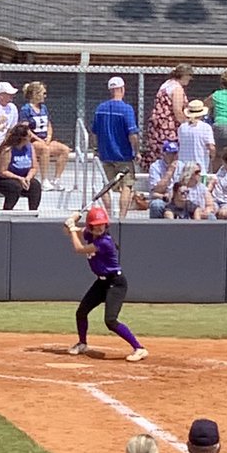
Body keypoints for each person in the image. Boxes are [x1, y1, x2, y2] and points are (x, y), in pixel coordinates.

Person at [63, 205, 148, 362]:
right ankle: (82, 343)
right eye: (96, 225)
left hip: (115, 283)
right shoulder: (90, 233)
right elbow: (68, 231)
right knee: (81, 312)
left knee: (110, 320)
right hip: (101, 283)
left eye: (102, 224)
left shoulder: (105, 242)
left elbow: (78, 248)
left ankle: (139, 348)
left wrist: (72, 228)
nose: (100, 227)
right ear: (91, 226)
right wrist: (73, 220)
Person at [91, 77, 139, 219]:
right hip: (123, 156)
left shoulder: (100, 108)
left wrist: (96, 149)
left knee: (106, 185)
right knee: (127, 186)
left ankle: (108, 214)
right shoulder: (126, 109)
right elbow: (133, 134)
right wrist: (136, 151)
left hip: (106, 155)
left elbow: (94, 133)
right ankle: (122, 218)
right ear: (122, 89)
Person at [19, 81, 70, 190]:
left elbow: (48, 124)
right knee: (44, 149)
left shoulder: (43, 108)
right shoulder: (26, 109)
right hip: (32, 141)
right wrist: (38, 139)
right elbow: (25, 129)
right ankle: (44, 180)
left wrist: (49, 136)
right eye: (43, 93)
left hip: (45, 139)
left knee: (64, 149)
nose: (45, 96)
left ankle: (56, 179)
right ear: (35, 94)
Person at [145, 64, 191, 163]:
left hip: (157, 126)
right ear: (184, 75)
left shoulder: (166, 85)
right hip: (168, 128)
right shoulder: (177, 88)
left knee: (158, 157)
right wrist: (187, 125)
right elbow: (177, 111)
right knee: (170, 157)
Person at [0, 122, 42, 211]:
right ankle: (8, 211)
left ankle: (33, 212)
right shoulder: (8, 149)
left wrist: (28, 178)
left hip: (24, 178)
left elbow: (34, 167)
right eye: (29, 135)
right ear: (22, 138)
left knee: (35, 185)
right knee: (15, 187)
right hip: (5, 180)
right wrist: (19, 178)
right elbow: (2, 171)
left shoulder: (30, 147)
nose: (31, 136)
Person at [176, 101, 215, 170]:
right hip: (200, 166)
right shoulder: (206, 127)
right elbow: (211, 147)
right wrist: (212, 157)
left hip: (183, 166)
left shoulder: (182, 127)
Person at [147, 140, 179, 218]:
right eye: (170, 153)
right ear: (164, 153)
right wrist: (170, 172)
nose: (173, 156)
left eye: (175, 153)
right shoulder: (155, 167)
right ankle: (156, 229)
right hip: (162, 198)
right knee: (156, 205)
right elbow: (157, 190)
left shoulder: (182, 166)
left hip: (178, 198)